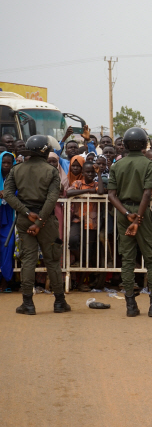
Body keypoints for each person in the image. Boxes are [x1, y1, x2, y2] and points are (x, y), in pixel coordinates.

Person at [107, 127, 152, 318]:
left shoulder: (116, 166)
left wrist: (128, 214)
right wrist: (137, 218)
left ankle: (130, 305)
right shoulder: (148, 164)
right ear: (145, 144)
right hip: (143, 214)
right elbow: (147, 193)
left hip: (123, 213)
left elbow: (111, 195)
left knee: (127, 260)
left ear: (125, 145)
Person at [3, 135, 69, 315]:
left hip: (25, 219)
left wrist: (25, 212)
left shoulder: (17, 170)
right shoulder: (51, 170)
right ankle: (59, 302)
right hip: (45, 220)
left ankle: (28, 303)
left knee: (28, 261)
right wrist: (39, 221)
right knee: (53, 261)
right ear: (45, 150)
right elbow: (52, 198)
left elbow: (7, 194)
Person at [67, 161, 105, 291]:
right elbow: (68, 193)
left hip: (91, 223)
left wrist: (99, 174)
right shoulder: (77, 183)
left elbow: (100, 191)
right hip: (78, 220)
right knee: (72, 240)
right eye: (87, 172)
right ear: (82, 173)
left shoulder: (96, 183)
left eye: (92, 172)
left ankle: (82, 282)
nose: (90, 174)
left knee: (89, 252)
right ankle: (78, 259)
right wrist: (89, 190)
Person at [0, 152, 16, 291]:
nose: (5, 165)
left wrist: (7, 194)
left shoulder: (16, 177)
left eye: (8, 163)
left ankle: (6, 280)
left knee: (8, 245)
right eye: (3, 163)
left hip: (8, 215)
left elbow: (21, 192)